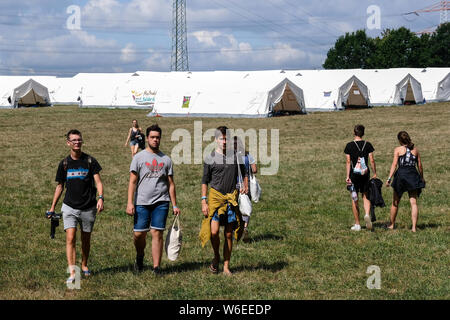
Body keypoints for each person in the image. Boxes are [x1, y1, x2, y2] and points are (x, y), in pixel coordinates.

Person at [48, 129, 104, 284]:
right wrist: (53, 207)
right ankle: (72, 272)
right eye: (74, 140)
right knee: (70, 238)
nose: (77, 142)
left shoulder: (90, 161)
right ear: (68, 143)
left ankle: (84, 265)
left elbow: (98, 182)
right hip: (69, 207)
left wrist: (101, 198)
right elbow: (60, 186)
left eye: (79, 140)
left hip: (88, 207)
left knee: (86, 239)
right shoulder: (64, 163)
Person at [126, 124, 180, 274]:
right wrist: (130, 202)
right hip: (141, 202)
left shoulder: (166, 159)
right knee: (139, 234)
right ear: (147, 138)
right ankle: (140, 256)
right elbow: (132, 181)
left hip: (161, 202)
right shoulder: (138, 157)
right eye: (152, 137)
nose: (155, 140)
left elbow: (171, 184)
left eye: (158, 137)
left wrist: (175, 205)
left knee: (157, 233)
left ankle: (156, 267)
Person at [199, 126, 247, 276]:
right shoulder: (210, 157)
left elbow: (244, 172)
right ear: (216, 140)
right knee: (213, 233)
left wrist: (245, 184)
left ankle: (226, 266)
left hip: (230, 198)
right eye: (221, 138)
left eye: (226, 138)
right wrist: (203, 201)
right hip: (215, 198)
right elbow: (204, 181)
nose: (224, 141)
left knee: (228, 234)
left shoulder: (236, 157)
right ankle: (216, 256)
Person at [386, 131, 425, 232]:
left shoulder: (398, 150)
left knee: (395, 202)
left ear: (399, 140)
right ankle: (414, 228)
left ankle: (391, 225)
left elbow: (394, 165)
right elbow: (419, 166)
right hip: (413, 175)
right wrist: (422, 178)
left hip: (401, 176)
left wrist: (389, 178)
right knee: (413, 202)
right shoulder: (415, 150)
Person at [344, 124, 377, 231]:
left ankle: (357, 224)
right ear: (363, 133)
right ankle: (367, 214)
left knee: (354, 199)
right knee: (365, 195)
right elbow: (371, 160)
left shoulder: (349, 145)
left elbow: (348, 161)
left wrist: (347, 176)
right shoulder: (368, 145)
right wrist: (374, 172)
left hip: (354, 175)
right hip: (365, 174)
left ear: (354, 133)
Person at [233, 136, 257, 243]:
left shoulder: (231, 157)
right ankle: (245, 227)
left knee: (235, 207)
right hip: (246, 185)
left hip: (234, 185)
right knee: (246, 207)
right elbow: (254, 170)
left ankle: (237, 229)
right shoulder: (248, 156)